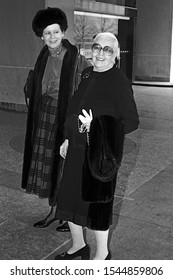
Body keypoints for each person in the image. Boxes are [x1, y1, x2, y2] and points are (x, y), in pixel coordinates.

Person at [54, 32, 139, 260]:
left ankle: (102, 255)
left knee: (97, 205)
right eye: (97, 47)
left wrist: (97, 126)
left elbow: (131, 120)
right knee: (70, 196)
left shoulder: (119, 80)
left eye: (107, 49)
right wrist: (69, 137)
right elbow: (75, 106)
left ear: (116, 54)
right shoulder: (87, 73)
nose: (101, 53)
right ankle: (78, 245)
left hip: (100, 155)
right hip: (76, 147)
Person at [21, 7, 91, 232]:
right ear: (41, 36)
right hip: (45, 113)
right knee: (50, 164)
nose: (52, 37)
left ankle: (62, 213)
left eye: (56, 32)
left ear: (63, 32)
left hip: (66, 115)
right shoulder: (43, 55)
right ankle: (56, 210)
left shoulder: (76, 58)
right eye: (47, 33)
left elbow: (88, 88)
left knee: (64, 165)